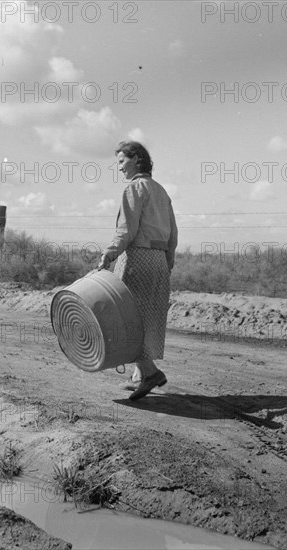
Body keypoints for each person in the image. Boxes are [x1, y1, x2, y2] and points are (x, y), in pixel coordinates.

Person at [98, 141, 178, 400]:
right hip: (158, 261)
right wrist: (167, 263)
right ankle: (139, 375)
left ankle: (151, 373)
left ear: (137, 160)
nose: (120, 168)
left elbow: (126, 231)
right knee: (146, 319)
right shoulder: (161, 191)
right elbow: (173, 235)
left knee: (125, 319)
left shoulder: (134, 189)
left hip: (136, 259)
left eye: (122, 162)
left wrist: (110, 253)